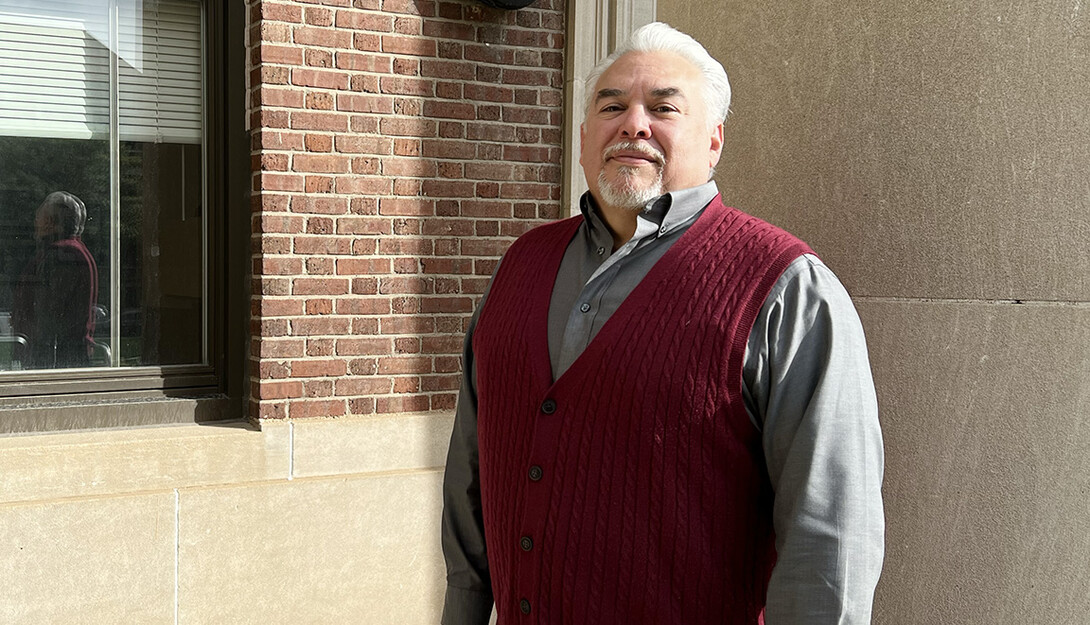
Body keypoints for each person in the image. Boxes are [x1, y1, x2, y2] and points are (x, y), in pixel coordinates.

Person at [442, 22, 884, 625]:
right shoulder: (520, 265)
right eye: (612, 105)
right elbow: (472, 477)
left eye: (663, 107)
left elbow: (828, 541)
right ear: (582, 138)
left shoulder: (789, 291)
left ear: (714, 142)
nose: (633, 123)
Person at [11, 191, 99, 369]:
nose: (36, 223)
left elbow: (48, 314)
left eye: (39, 218)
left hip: (55, 359)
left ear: (50, 222)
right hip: (63, 354)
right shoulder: (74, 250)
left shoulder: (63, 255)